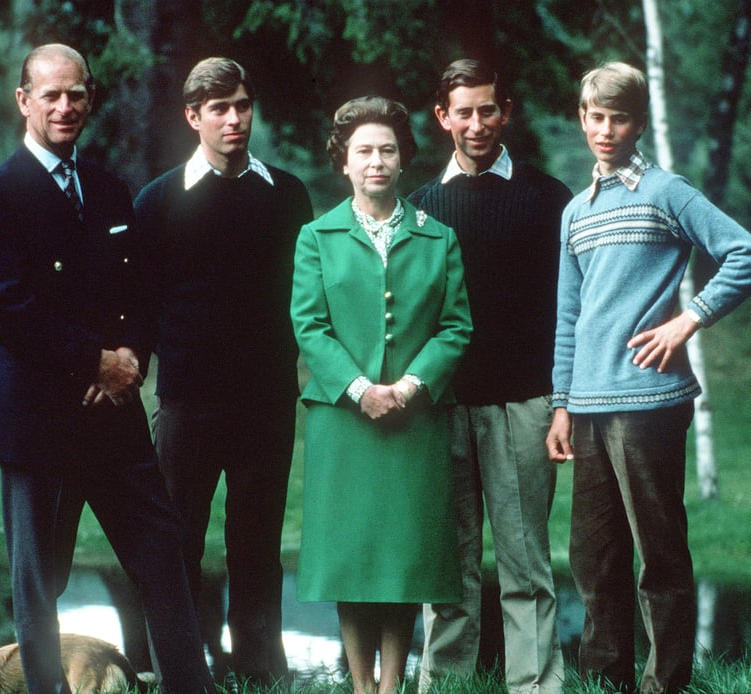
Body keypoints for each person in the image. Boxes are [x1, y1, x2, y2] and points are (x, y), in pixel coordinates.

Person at [0, 43, 213, 694]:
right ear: (24, 101)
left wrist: (130, 357)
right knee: (39, 583)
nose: (65, 106)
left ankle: (193, 688)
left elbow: (140, 292)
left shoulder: (107, 190)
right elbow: (6, 312)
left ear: (91, 98)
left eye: (76, 94)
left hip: (114, 416)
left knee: (163, 555)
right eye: (51, 95)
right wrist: (94, 361)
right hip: (38, 421)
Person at [545, 62, 751, 694]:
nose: (606, 129)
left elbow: (747, 253)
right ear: (582, 118)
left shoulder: (666, 192)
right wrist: (561, 405)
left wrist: (688, 321)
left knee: (660, 557)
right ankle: (605, 680)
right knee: (595, 560)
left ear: (638, 122)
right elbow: (569, 315)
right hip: (586, 406)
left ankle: (665, 683)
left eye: (619, 118)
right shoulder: (574, 212)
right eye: (596, 117)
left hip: (650, 401)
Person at [133, 57, 312, 686]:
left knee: (256, 544)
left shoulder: (287, 194)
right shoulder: (157, 202)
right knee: (177, 538)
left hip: (266, 403)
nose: (234, 119)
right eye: (219, 109)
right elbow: (142, 304)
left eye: (241, 106)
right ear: (193, 117)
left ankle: (260, 670)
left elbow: (303, 297)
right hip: (186, 403)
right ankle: (180, 670)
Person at [290, 96, 472, 694]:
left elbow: (455, 326)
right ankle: (361, 687)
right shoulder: (317, 236)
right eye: (364, 150)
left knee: (403, 557)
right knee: (351, 556)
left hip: (414, 420)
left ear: (403, 160)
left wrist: (411, 387)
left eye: (387, 150)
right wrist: (361, 389)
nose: (376, 161)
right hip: (344, 421)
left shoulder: (438, 237)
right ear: (343, 160)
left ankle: (392, 686)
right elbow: (310, 326)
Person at [409, 59, 573, 694]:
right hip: (442, 408)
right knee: (447, 565)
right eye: (464, 111)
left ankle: (535, 685)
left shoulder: (547, 198)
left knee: (525, 564)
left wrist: (562, 402)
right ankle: (444, 683)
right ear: (443, 117)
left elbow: (570, 308)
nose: (477, 124)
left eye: (488, 109)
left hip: (523, 404)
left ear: (507, 112)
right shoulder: (420, 208)